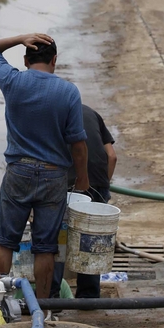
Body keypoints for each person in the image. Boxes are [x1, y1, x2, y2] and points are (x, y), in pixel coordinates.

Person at [0, 33, 89, 300]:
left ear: (25, 59)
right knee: (46, 248)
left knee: (5, 242)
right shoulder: (68, 91)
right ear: (54, 60)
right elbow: (78, 145)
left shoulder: (13, 81)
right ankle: (43, 307)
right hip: (54, 176)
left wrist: (21, 38)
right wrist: (83, 179)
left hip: (18, 172)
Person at [52, 104, 117, 299]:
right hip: (98, 183)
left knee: (58, 240)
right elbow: (112, 156)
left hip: (67, 184)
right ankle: (88, 298)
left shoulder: (52, 112)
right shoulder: (91, 112)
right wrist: (102, 187)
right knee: (90, 241)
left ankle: (53, 296)